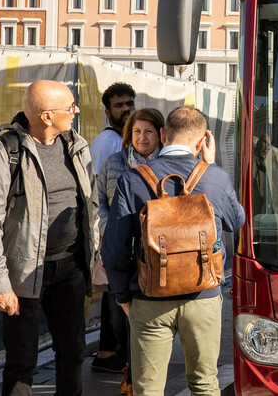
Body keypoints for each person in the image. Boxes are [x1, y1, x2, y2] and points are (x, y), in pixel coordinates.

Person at [103, 107, 245, 396]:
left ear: (164, 135)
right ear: (203, 139)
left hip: (149, 297)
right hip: (203, 296)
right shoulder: (215, 177)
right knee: (205, 384)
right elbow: (236, 221)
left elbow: (115, 248)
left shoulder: (132, 179)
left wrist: (123, 297)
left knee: (148, 389)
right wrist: (212, 165)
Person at [0, 80, 98, 396]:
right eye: (70, 107)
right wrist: (0, 284)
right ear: (46, 116)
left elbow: (90, 204)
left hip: (70, 267)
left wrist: (92, 260)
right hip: (23, 273)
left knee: (73, 353)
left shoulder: (77, 145)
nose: (76, 110)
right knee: (21, 362)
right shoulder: (3, 152)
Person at [92, 108, 165, 375]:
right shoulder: (114, 162)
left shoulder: (165, 166)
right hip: (120, 252)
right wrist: (109, 228)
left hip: (156, 255)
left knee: (148, 320)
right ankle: (129, 368)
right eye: (136, 131)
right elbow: (97, 199)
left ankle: (139, 376)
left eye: (148, 131)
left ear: (161, 134)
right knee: (117, 318)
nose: (142, 137)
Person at [90, 83, 136, 176]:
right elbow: (95, 181)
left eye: (130, 104)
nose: (126, 109)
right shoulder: (105, 141)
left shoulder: (135, 139)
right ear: (108, 113)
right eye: (119, 105)